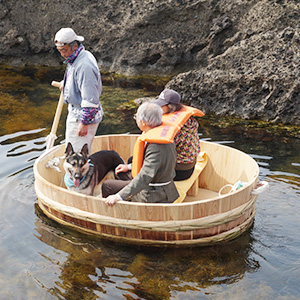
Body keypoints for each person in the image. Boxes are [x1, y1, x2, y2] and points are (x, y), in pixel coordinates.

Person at [104, 102, 179, 206]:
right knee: (120, 172)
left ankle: (122, 214)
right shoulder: (162, 135)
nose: (136, 119)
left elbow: (145, 176)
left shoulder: (156, 146)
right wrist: (129, 167)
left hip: (154, 192)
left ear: (143, 123)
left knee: (107, 186)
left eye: (136, 117)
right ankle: (127, 202)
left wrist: (119, 196)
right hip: (156, 180)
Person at [54, 27, 103, 153]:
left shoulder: (84, 65)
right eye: (60, 51)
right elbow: (77, 80)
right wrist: (66, 85)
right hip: (76, 112)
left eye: (64, 50)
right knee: (73, 152)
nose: (62, 54)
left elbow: (90, 97)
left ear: (74, 46)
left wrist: (84, 123)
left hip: (82, 116)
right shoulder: (77, 57)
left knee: (76, 156)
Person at [153, 89, 201, 181]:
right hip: (190, 166)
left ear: (171, 107)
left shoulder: (173, 129)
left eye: (162, 105)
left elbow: (161, 154)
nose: (158, 107)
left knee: (133, 162)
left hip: (180, 172)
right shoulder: (190, 121)